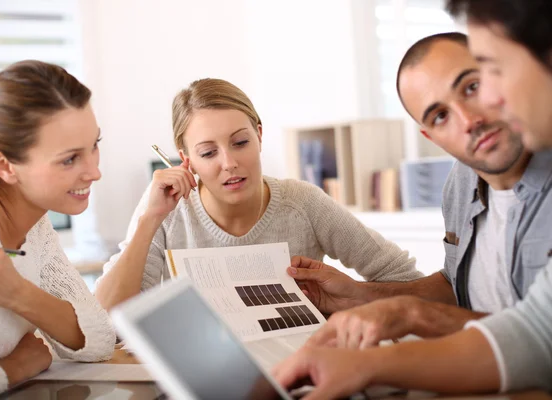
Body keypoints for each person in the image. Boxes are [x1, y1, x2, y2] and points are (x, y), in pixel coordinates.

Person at [272, 4, 552, 397]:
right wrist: (365, 297)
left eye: (473, 86)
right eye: (440, 115)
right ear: (430, 138)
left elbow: (537, 339)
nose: (470, 119)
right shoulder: (460, 184)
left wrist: (408, 319)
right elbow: (464, 287)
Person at [94, 78, 422, 310]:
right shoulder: (165, 210)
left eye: (240, 143)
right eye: (208, 153)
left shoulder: (304, 204)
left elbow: (405, 279)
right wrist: (150, 221)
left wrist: (349, 302)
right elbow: (107, 314)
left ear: (259, 136)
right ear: (186, 159)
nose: (230, 163)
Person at [0, 60, 116, 399]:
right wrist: (18, 366)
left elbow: (99, 337)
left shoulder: (34, 225)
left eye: (94, 146)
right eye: (70, 159)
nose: (94, 172)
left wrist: (16, 292)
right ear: (4, 165)